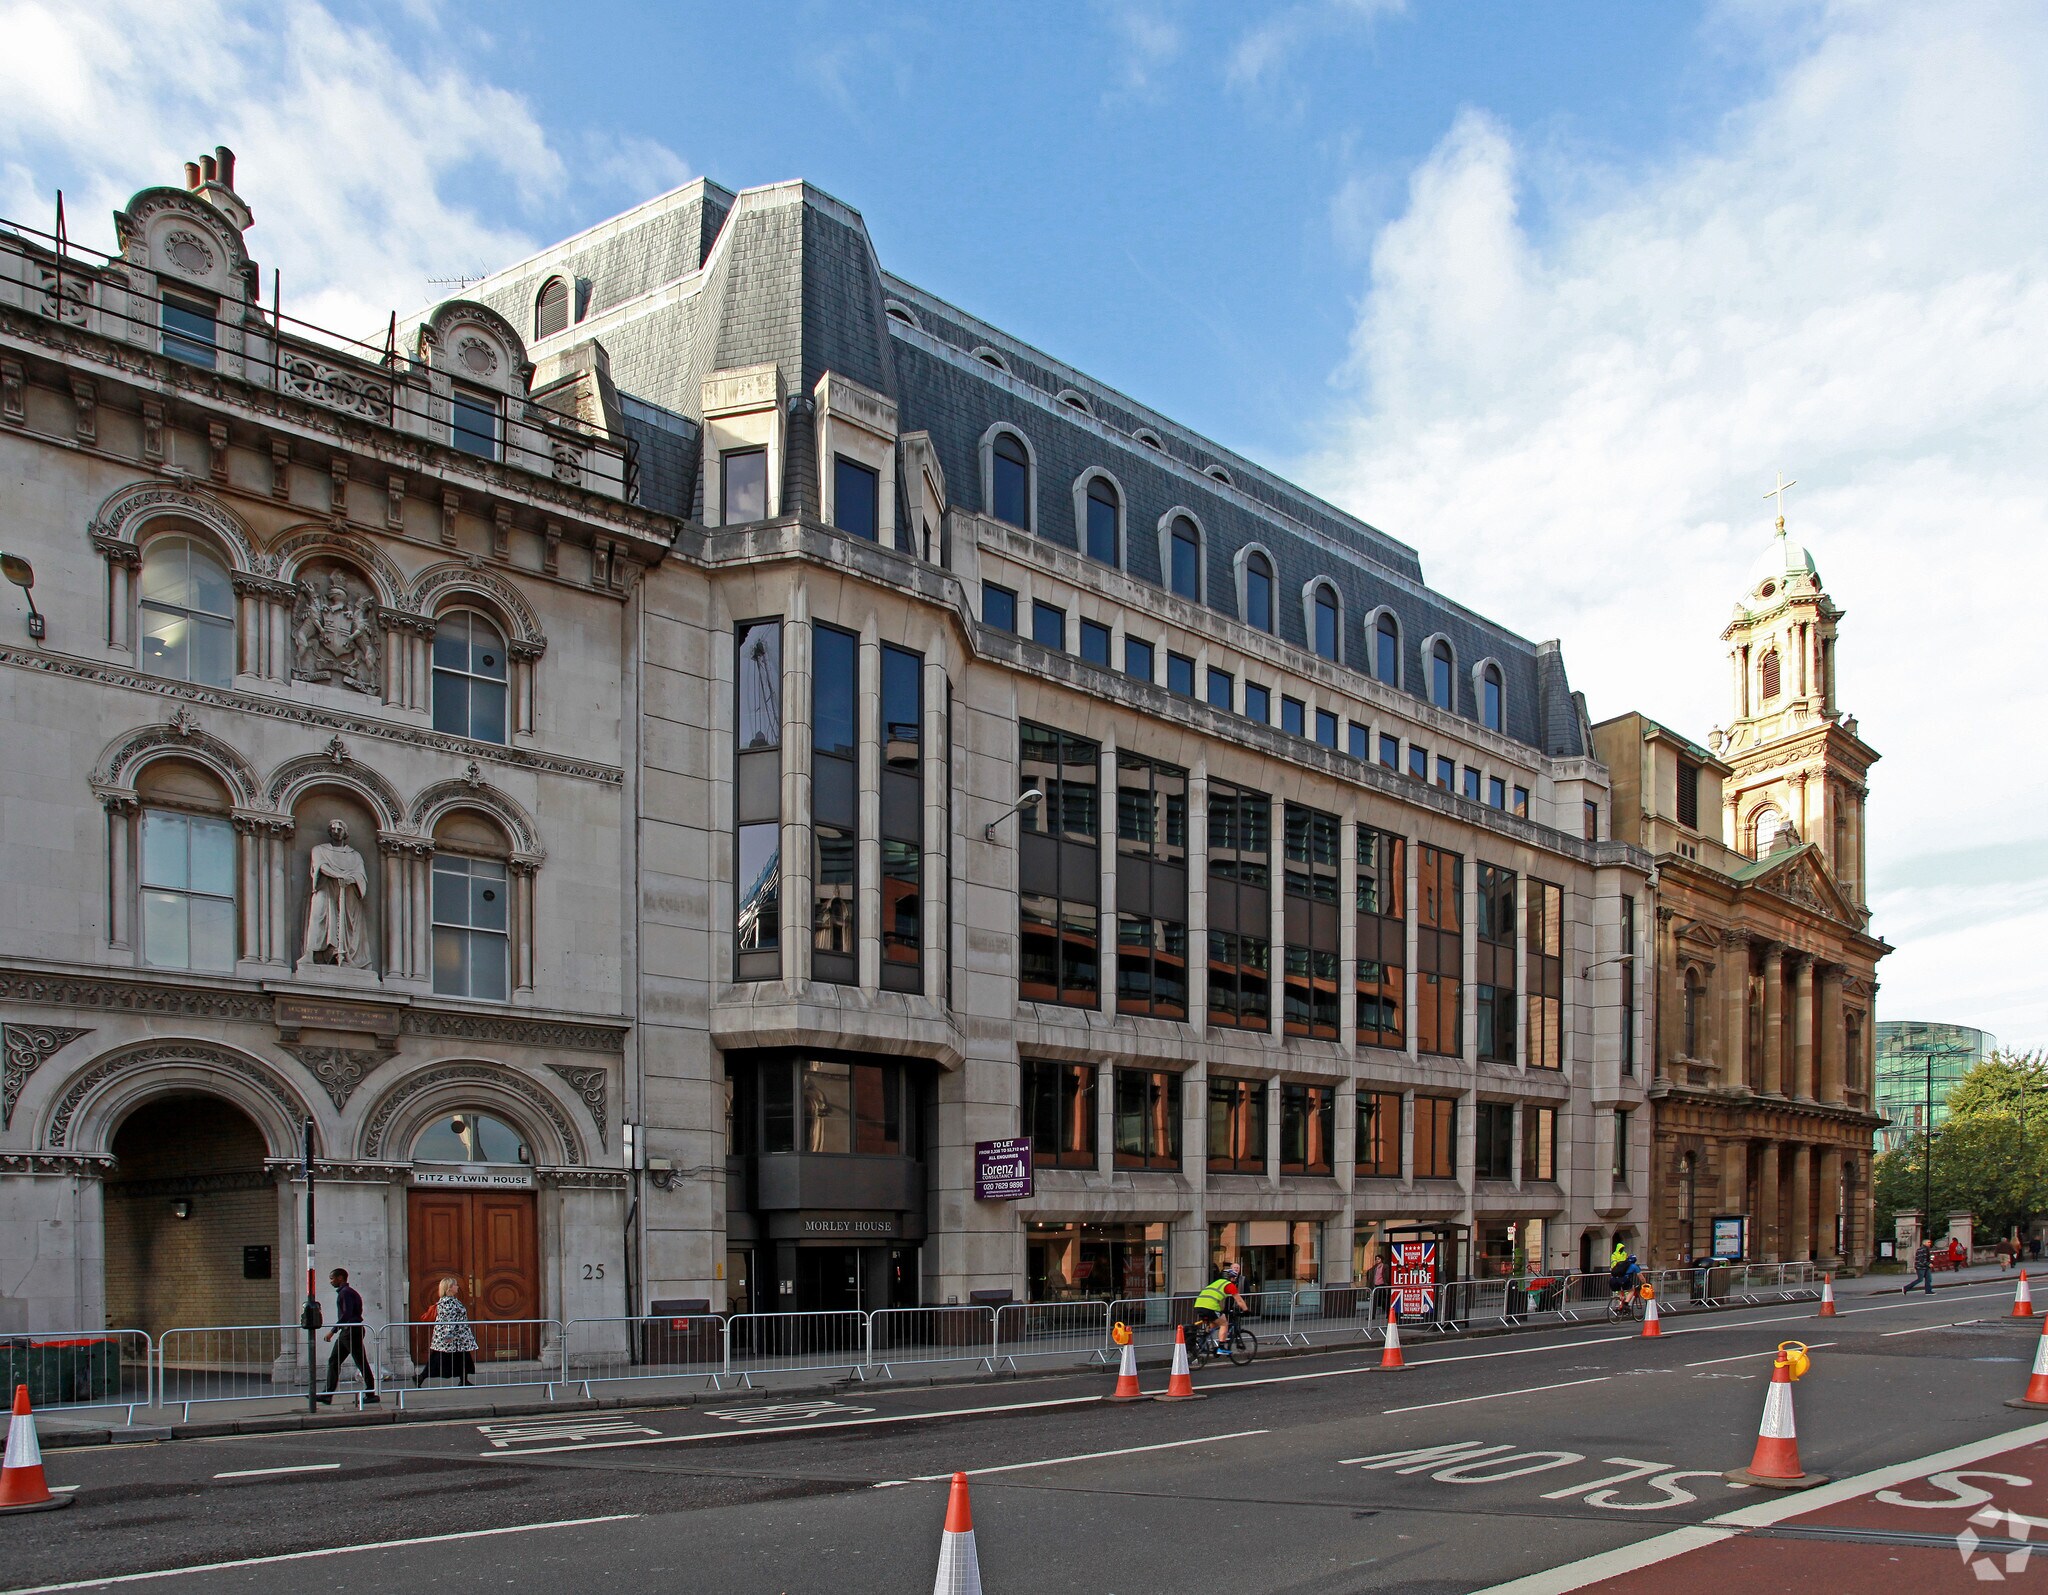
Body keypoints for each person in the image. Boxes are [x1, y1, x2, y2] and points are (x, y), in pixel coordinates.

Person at [317, 1267, 377, 1406]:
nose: (331, 1281)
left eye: (332, 1278)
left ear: (340, 1278)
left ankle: (371, 1394)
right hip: (349, 1331)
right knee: (334, 1361)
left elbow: (346, 1314)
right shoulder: (348, 1292)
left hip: (351, 1331)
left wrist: (332, 1331)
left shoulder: (345, 1293)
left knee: (360, 1362)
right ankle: (327, 1395)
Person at [416, 1275, 478, 1387]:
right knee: (440, 1358)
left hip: (459, 1337)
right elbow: (449, 1320)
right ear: (449, 1288)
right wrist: (449, 1335)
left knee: (462, 1357)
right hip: (453, 1337)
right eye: (455, 1285)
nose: (457, 1287)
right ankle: (421, 1377)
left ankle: (464, 1379)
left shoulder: (451, 1300)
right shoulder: (448, 1302)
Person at [1192, 1263, 1246, 1348]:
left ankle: (1201, 1343)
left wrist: (1223, 1311)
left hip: (1198, 1305)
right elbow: (1239, 1300)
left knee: (1213, 1324)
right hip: (1210, 1307)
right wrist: (1246, 1310)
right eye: (1233, 1278)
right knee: (1224, 1323)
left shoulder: (1216, 1283)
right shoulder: (1229, 1285)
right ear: (1230, 1278)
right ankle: (1221, 1347)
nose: (1234, 1279)